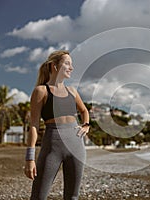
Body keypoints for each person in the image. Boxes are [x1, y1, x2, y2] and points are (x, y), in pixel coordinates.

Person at [24, 50, 89, 200]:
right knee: (38, 196)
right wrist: (29, 158)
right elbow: (34, 125)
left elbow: (84, 110)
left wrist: (85, 125)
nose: (71, 68)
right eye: (67, 63)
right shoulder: (41, 91)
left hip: (77, 145)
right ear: (54, 66)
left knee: (73, 196)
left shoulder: (72, 91)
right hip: (52, 146)